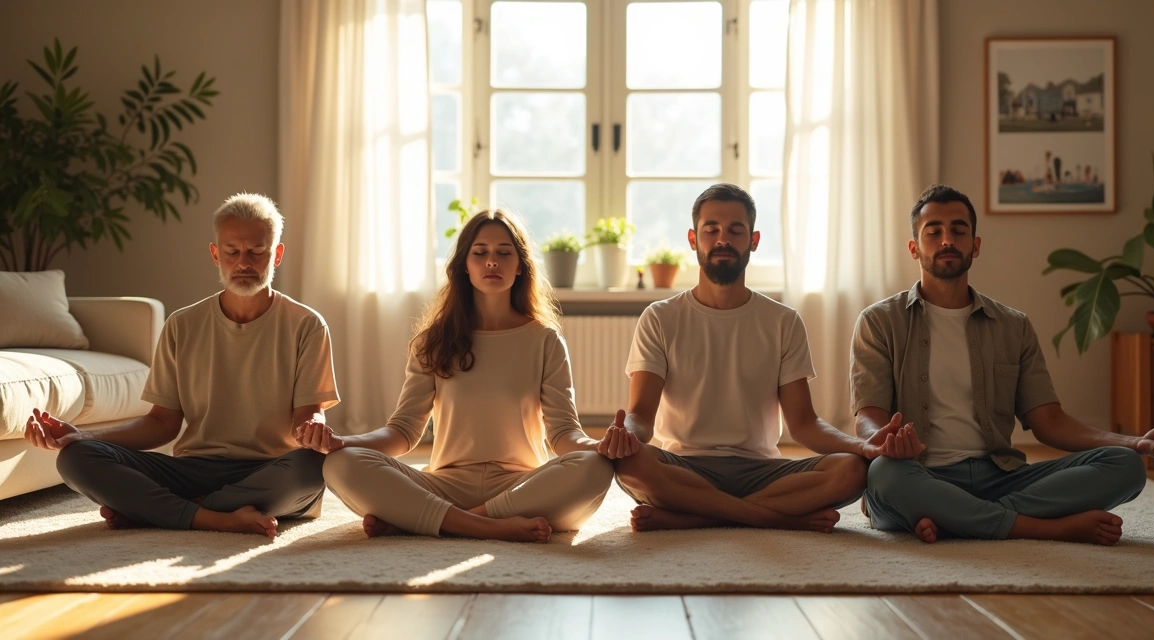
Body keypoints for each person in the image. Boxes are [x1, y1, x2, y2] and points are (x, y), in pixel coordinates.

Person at [853, 184, 1154, 545]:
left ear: (975, 245)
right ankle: (1041, 527)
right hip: (919, 472)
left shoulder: (1013, 326)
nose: (947, 239)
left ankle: (956, 518)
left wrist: (1135, 442)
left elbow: (1051, 423)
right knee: (883, 476)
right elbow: (867, 418)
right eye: (933, 231)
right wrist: (883, 442)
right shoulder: (879, 321)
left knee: (1125, 467)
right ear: (914, 247)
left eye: (958, 230)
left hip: (1000, 476)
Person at [598, 183, 917, 533]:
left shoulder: (782, 320)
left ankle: (697, 516)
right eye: (711, 230)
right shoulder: (659, 317)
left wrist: (862, 446)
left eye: (736, 230)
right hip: (684, 466)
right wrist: (624, 433)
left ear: (754, 240)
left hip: (761, 471)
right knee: (629, 463)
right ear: (693, 239)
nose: (723, 239)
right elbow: (641, 415)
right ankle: (772, 518)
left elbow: (804, 424)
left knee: (853, 470)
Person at [24, 193, 339, 539]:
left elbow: (307, 418)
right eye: (232, 252)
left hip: (269, 470)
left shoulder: (307, 324)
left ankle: (163, 509)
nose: (243, 262)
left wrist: (314, 425)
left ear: (277, 254)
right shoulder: (182, 324)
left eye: (257, 252)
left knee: (311, 466)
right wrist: (81, 436)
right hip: (192, 469)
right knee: (75, 458)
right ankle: (212, 516)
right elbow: (161, 424)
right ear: (215, 254)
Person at [309, 209, 613, 543]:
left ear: (521, 265)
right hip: (444, 486)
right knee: (339, 464)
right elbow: (404, 431)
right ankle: (487, 526)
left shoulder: (544, 340)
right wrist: (344, 443)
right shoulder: (433, 340)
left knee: (595, 466)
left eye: (503, 253)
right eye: (480, 253)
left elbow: (564, 433)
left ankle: (435, 521)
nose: (492, 262)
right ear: (464, 266)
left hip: (520, 488)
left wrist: (599, 446)